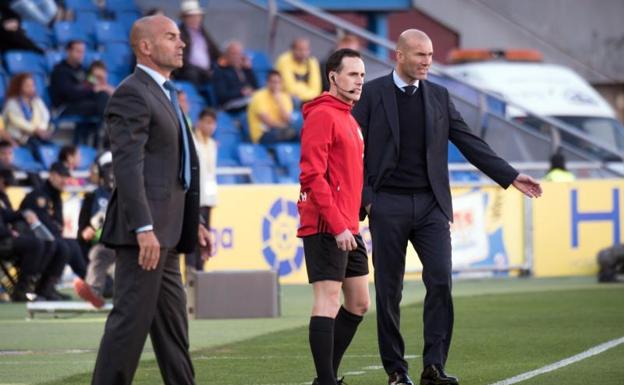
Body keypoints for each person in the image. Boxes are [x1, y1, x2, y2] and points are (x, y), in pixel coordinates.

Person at [352, 29, 543, 385]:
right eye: (420, 55)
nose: (427, 61)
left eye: (430, 55)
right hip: (387, 204)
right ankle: (396, 371)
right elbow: (352, 150)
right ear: (400, 56)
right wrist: (366, 198)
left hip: (431, 205)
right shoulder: (373, 93)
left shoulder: (439, 96)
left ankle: (433, 366)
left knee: (440, 280)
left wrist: (511, 175)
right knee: (389, 290)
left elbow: (470, 142)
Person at [91, 15, 210, 385]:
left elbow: (175, 170)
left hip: (168, 235)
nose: (182, 43)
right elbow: (128, 168)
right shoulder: (132, 93)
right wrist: (143, 227)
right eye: (171, 37)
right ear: (146, 47)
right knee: (128, 328)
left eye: (180, 37)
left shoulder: (165, 92)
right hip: (147, 237)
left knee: (173, 334)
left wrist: (196, 222)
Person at [298, 48, 368, 385]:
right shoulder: (323, 115)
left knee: (358, 303)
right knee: (327, 301)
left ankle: (325, 378)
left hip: (348, 225)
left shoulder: (349, 118)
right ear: (333, 77)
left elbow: (349, 174)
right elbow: (312, 176)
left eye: (362, 75)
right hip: (328, 225)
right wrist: (339, 224)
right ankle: (326, 381)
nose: (359, 82)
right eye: (353, 74)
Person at [19, 161, 81, 299]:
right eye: (61, 176)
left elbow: (58, 224)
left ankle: (48, 287)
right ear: (52, 175)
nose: (65, 180)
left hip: (49, 237)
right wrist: (55, 228)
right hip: (32, 237)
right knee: (63, 246)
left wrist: (55, 227)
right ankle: (38, 289)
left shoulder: (56, 195)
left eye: (66, 177)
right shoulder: (39, 195)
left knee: (72, 244)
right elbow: (43, 224)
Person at [74, 151, 115, 308]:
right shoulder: (92, 197)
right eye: (109, 169)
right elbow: (82, 231)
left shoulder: (134, 193)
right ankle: (93, 292)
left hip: (131, 244)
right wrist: (86, 232)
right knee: (99, 253)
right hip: (105, 245)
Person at [49, 40, 110, 146]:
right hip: (66, 106)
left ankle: (106, 131)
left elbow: (94, 84)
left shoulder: (83, 70)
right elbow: (70, 94)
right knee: (100, 102)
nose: (81, 55)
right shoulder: (60, 71)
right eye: (78, 51)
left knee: (103, 95)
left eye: (82, 52)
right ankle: (106, 132)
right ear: (68, 51)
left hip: (84, 104)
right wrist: (92, 90)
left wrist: (101, 84)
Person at [187, 107, 217, 271]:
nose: (211, 127)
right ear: (199, 122)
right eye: (207, 122)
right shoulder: (192, 141)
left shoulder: (212, 144)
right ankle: (191, 273)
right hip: (194, 198)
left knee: (205, 238)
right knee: (192, 238)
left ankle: (201, 272)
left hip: (208, 198)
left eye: (213, 123)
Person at [2, 72, 53, 161]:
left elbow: (45, 116)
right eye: (27, 85)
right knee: (36, 150)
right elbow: (17, 121)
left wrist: (41, 128)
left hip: (35, 136)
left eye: (32, 85)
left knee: (51, 147)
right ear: (19, 87)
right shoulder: (12, 103)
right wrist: (36, 130)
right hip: (18, 138)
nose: (31, 88)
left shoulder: (36, 101)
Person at [174, 0, 221, 86]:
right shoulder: (179, 33)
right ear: (184, 18)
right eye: (191, 16)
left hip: (206, 71)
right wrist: (204, 71)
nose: (195, 19)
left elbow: (215, 51)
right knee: (192, 74)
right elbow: (182, 59)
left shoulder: (203, 32)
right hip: (189, 71)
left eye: (197, 16)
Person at [247, 70, 297, 144]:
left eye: (279, 82)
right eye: (273, 82)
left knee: (301, 135)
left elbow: (288, 119)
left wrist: (279, 102)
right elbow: (268, 122)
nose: (276, 85)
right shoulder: (258, 96)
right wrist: (284, 127)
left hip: (281, 130)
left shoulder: (285, 97)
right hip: (263, 134)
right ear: (268, 82)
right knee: (289, 133)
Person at [213, 40, 258, 114]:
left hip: (246, 100)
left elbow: (256, 87)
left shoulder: (245, 70)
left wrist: (249, 70)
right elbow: (222, 96)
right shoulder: (221, 71)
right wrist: (241, 92)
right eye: (233, 54)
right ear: (226, 55)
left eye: (239, 54)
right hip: (230, 104)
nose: (237, 57)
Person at [276, 37, 322, 102]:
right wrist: (307, 94)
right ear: (292, 50)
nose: (303, 53)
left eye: (306, 50)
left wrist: (307, 97)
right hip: (287, 99)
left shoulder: (312, 62)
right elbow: (289, 88)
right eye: (300, 50)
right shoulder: (284, 60)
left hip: (308, 99)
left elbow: (316, 89)